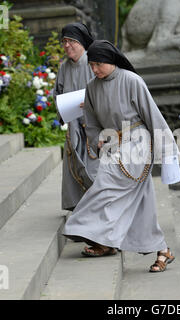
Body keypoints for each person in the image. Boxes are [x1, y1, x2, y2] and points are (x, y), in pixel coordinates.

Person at [63, 40, 180, 273]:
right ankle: (162, 250)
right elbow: (92, 121)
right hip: (112, 144)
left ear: (111, 60)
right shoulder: (92, 86)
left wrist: (167, 152)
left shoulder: (132, 80)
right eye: (92, 65)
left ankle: (85, 227)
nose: (95, 69)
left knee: (106, 182)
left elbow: (153, 115)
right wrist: (97, 140)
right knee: (141, 203)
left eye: (99, 64)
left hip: (137, 141)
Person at [53, 22, 99, 211]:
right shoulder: (64, 67)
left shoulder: (93, 62)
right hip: (73, 127)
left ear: (81, 42)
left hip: (93, 128)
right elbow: (57, 93)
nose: (66, 45)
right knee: (74, 173)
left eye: (71, 41)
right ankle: (80, 213)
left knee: (94, 172)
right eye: (64, 41)